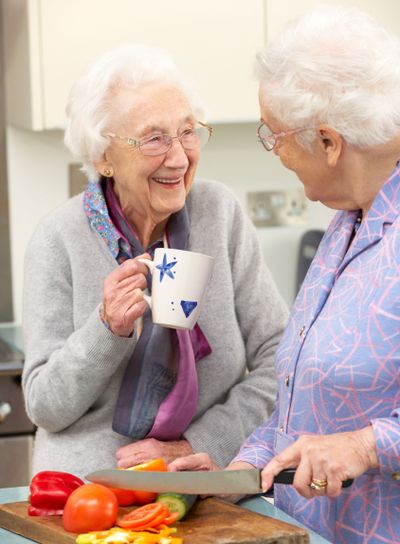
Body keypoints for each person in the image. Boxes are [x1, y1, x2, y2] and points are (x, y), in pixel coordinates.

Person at [169, 7, 400, 544]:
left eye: (274, 135)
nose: (274, 151)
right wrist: (238, 473)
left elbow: (354, 435)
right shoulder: (349, 219)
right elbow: (303, 408)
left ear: (328, 142)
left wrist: (366, 446)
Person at [21, 44, 288, 481]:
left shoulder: (219, 214)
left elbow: (280, 363)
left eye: (187, 131)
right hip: (87, 495)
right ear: (103, 156)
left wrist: (200, 445)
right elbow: (46, 408)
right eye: (154, 138)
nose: (180, 158)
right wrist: (106, 329)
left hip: (201, 484)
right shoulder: (58, 239)